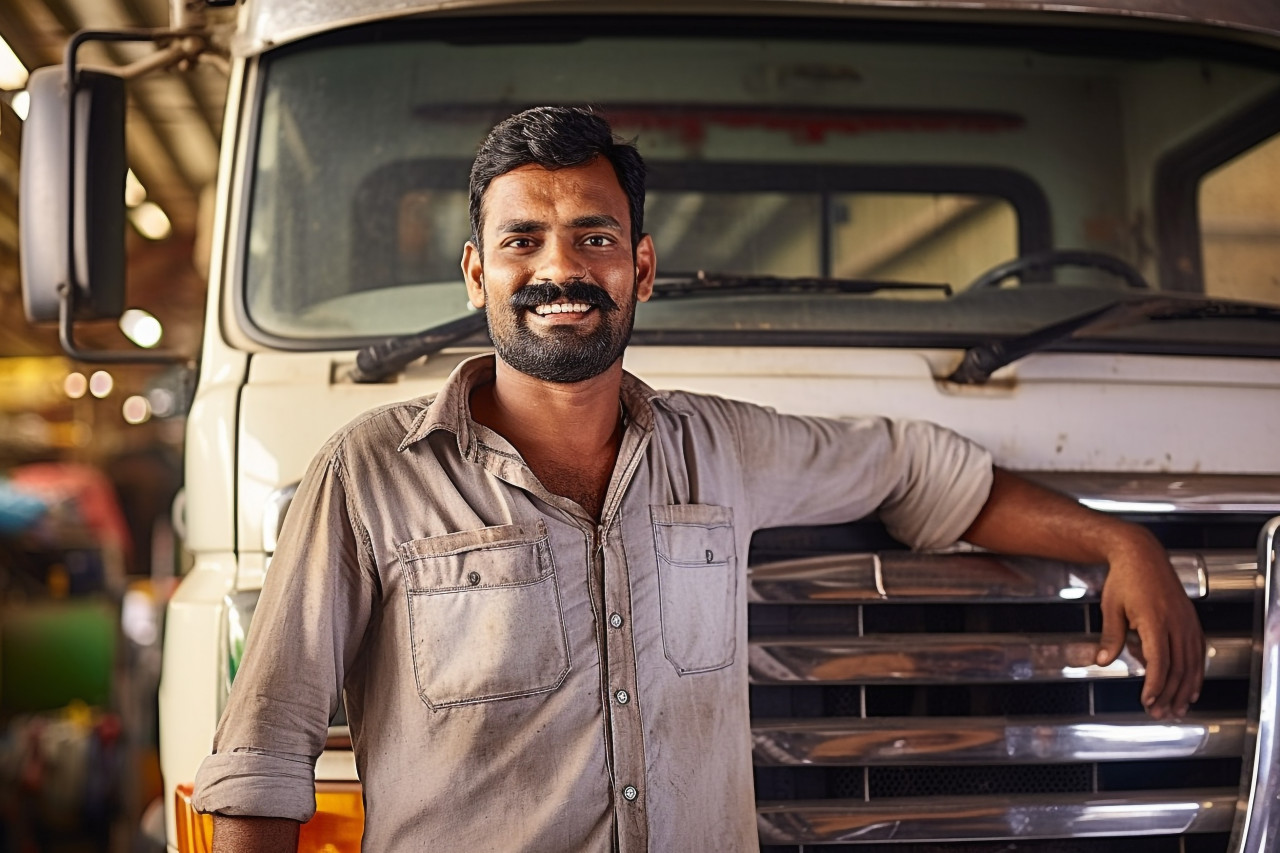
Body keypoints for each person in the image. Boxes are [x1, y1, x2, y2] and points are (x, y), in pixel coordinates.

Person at [193, 106, 1205, 852]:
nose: (561, 268)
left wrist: (1120, 542)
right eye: (522, 241)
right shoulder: (368, 473)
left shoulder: (720, 453)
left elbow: (914, 468)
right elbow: (267, 751)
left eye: (593, 236)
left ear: (638, 266)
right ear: (475, 273)